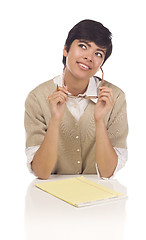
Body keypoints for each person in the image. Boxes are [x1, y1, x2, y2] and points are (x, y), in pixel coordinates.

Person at [24, 19, 128, 180]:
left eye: (98, 54)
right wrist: (55, 120)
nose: (89, 57)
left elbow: (107, 173)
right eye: (83, 46)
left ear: (101, 64)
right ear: (66, 49)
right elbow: (41, 172)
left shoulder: (115, 97)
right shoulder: (37, 98)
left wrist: (100, 120)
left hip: (99, 197)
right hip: (50, 198)